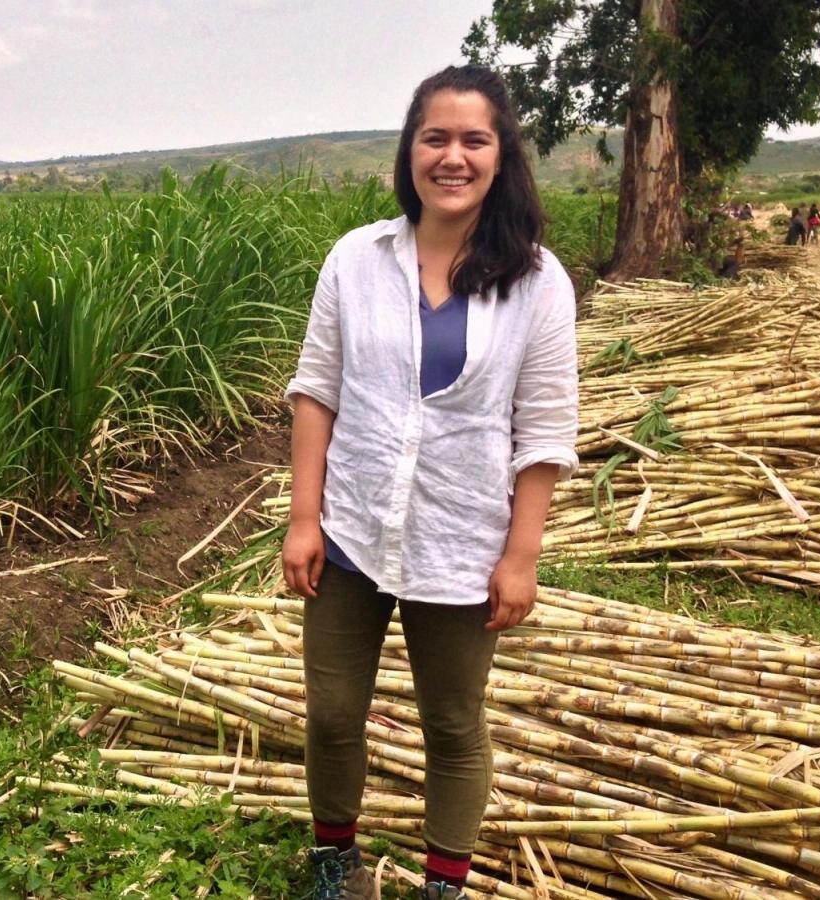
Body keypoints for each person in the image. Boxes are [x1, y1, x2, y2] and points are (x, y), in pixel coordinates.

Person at [282, 64, 578, 900]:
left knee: (453, 723)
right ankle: (336, 863)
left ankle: (443, 883)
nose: (453, 157)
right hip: (352, 528)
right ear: (411, 151)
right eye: (435, 138)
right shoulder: (357, 259)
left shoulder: (536, 281)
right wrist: (304, 519)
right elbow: (316, 390)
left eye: (473, 140)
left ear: (501, 154)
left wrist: (520, 556)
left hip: (461, 536)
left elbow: (545, 431)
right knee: (334, 712)